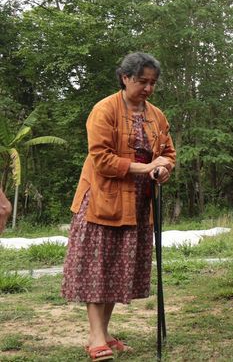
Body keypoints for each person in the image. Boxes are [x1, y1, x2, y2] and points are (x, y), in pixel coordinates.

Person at [61, 52, 176, 362]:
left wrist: (163, 169)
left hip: (138, 204)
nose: (148, 88)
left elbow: (167, 153)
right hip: (103, 199)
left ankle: (106, 333)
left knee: (116, 270)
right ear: (125, 78)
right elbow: (101, 159)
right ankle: (95, 337)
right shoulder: (104, 110)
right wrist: (146, 167)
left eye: (153, 83)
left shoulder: (157, 116)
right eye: (142, 81)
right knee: (99, 269)